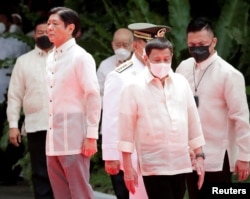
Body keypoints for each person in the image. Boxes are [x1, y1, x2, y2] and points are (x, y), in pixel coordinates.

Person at [117, 37, 205, 199]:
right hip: (153, 164)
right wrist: (128, 167)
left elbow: (193, 120)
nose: (162, 63)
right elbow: (125, 131)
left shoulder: (181, 83)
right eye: (157, 60)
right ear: (146, 58)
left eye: (166, 59)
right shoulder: (133, 87)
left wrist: (199, 156)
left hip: (181, 162)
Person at [175, 17, 250, 199]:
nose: (196, 48)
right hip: (189, 153)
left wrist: (245, 156)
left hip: (217, 155)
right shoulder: (183, 68)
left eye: (202, 43)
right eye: (192, 44)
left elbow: (240, 118)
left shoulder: (230, 74)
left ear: (214, 42)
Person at [102, 22, 171, 199]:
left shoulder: (166, 72)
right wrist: (111, 155)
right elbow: (111, 118)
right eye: (149, 46)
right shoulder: (120, 76)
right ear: (136, 45)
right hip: (131, 157)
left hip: (162, 154)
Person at [46, 7, 101, 199]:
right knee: (60, 194)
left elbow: (93, 95)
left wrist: (92, 135)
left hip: (75, 137)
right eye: (48, 23)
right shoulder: (50, 57)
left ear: (70, 28)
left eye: (55, 24)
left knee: (80, 193)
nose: (49, 28)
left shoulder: (81, 57)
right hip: (53, 138)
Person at [7, 17, 54, 199]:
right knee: (40, 172)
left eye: (48, 32)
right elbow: (14, 95)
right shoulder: (23, 61)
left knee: (64, 172)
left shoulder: (66, 59)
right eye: (40, 32)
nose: (44, 35)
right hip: (36, 125)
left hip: (63, 126)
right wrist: (13, 125)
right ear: (34, 35)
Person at [97, 28, 134, 97]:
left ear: (133, 45)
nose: (121, 48)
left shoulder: (143, 64)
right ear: (113, 45)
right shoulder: (105, 65)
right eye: (118, 45)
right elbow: (98, 91)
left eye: (125, 45)